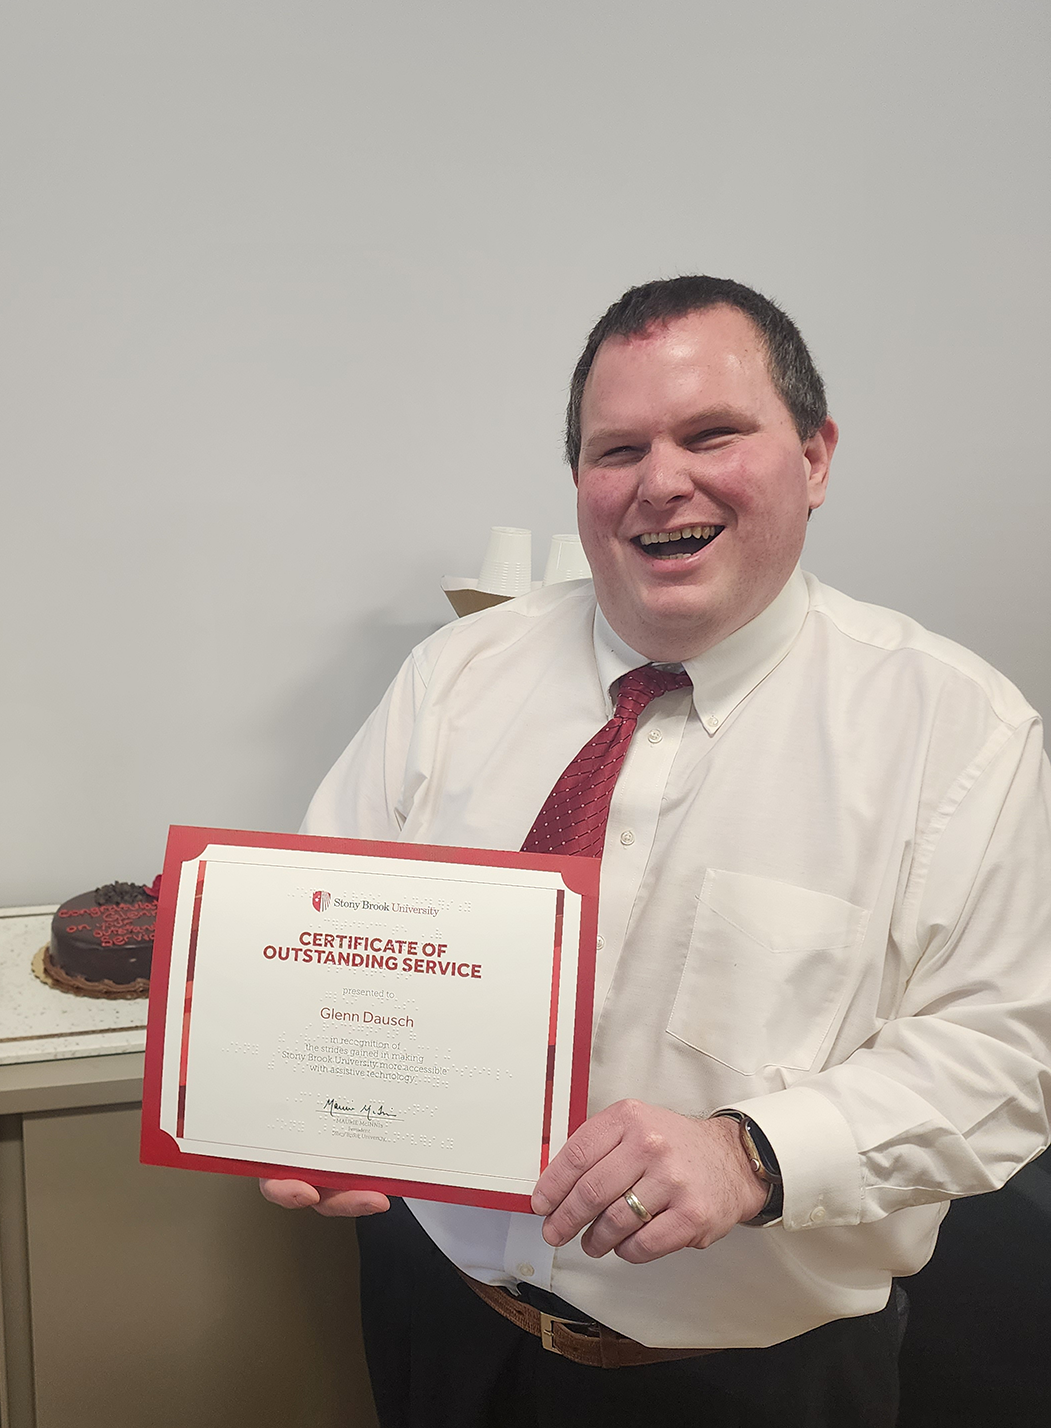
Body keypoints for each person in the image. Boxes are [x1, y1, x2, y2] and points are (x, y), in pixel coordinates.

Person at [261, 276, 1051, 1427]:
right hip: (446, 1320)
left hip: (751, 1380)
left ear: (817, 456)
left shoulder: (957, 732)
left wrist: (756, 1154)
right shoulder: (455, 678)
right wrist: (306, 1102)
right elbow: (325, 930)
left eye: (713, 434)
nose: (660, 481)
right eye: (615, 448)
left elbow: (1005, 1058)